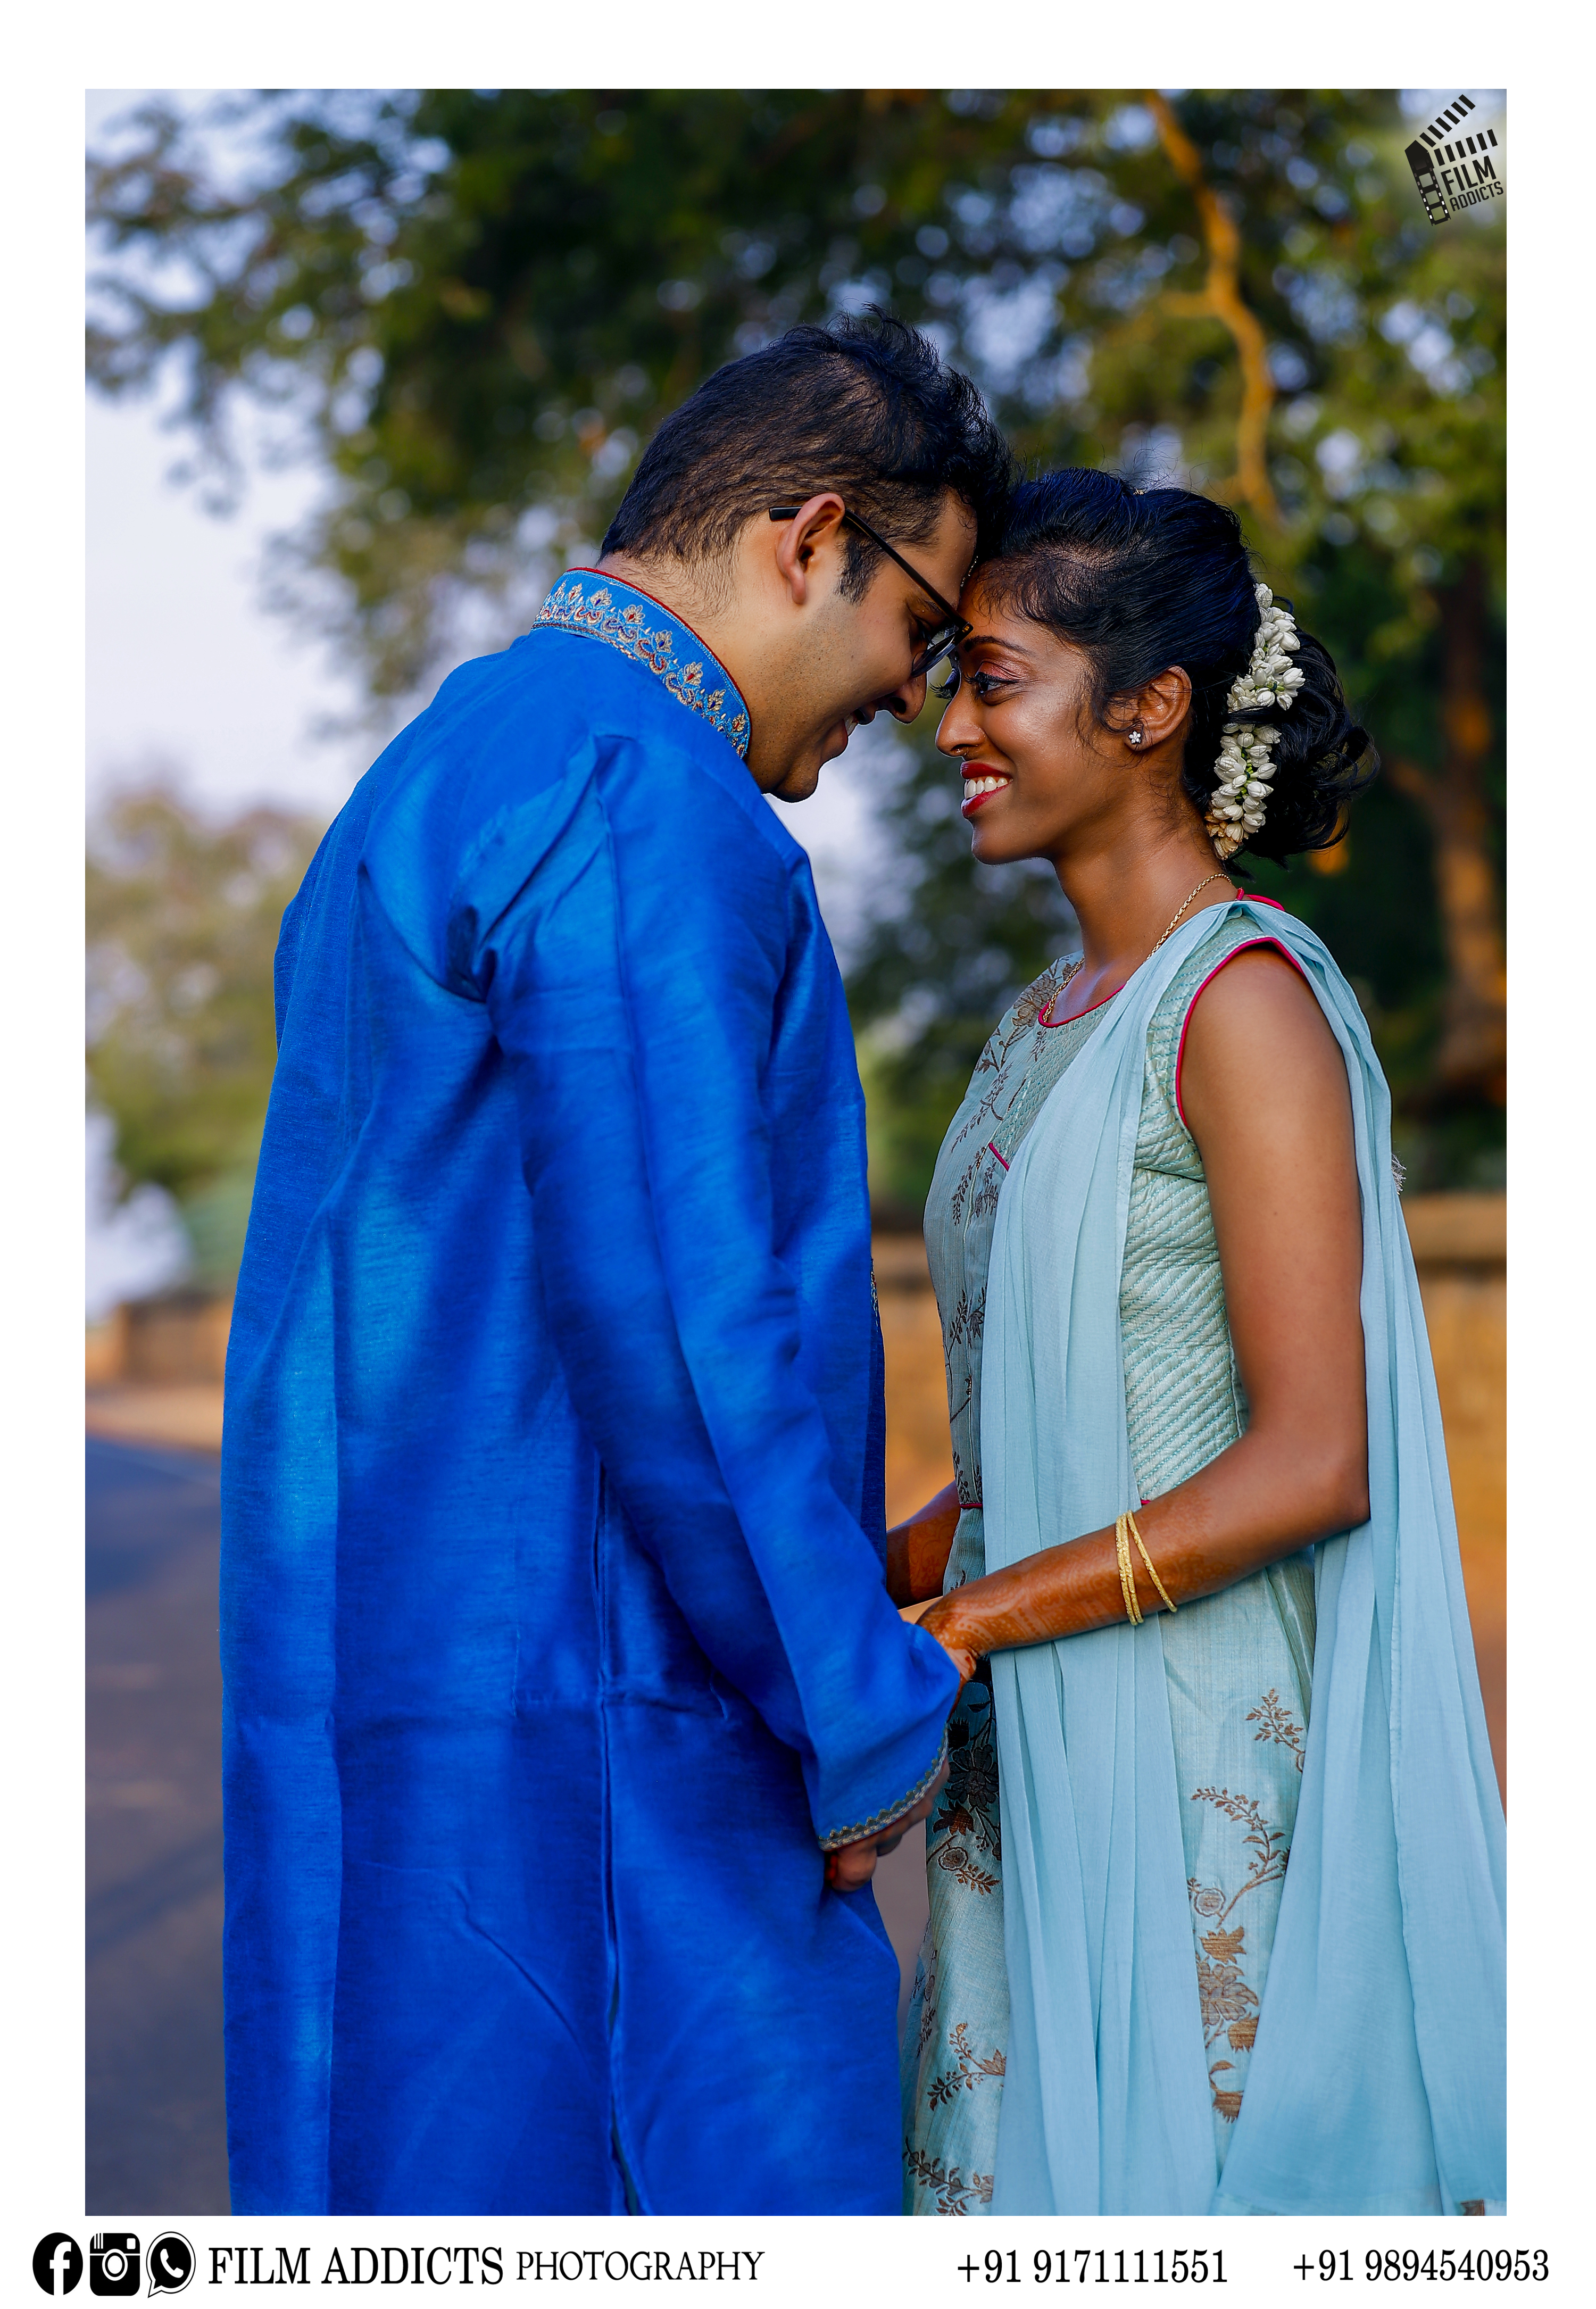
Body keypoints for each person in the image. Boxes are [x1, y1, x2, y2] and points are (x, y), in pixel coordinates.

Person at [220, 315, 1014, 2215]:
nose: (917, 698)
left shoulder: (442, 761)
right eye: (926, 625)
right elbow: (675, 1304)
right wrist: (856, 1709)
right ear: (812, 539)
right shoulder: (646, 796)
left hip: (388, 1703)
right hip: (601, 1748)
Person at [892, 471, 1506, 2217]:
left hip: (1192, 1751)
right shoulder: (1040, 1023)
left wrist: (974, 1618)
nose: (951, 725)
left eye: (994, 678)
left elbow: (1317, 1456)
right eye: (950, 677)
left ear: (1150, 708)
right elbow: (1057, 1419)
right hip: (1031, 1729)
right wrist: (892, 1566)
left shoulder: (1245, 1004)